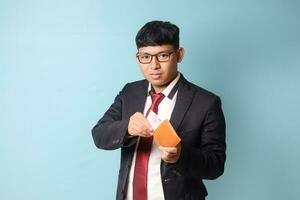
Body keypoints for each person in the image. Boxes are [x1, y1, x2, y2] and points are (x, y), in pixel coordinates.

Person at [92, 20, 226, 200]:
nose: (154, 65)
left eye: (163, 55)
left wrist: (181, 155)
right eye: (145, 57)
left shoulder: (206, 102)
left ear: (179, 54)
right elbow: (99, 135)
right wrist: (127, 128)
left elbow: (216, 165)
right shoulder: (130, 92)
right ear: (137, 57)